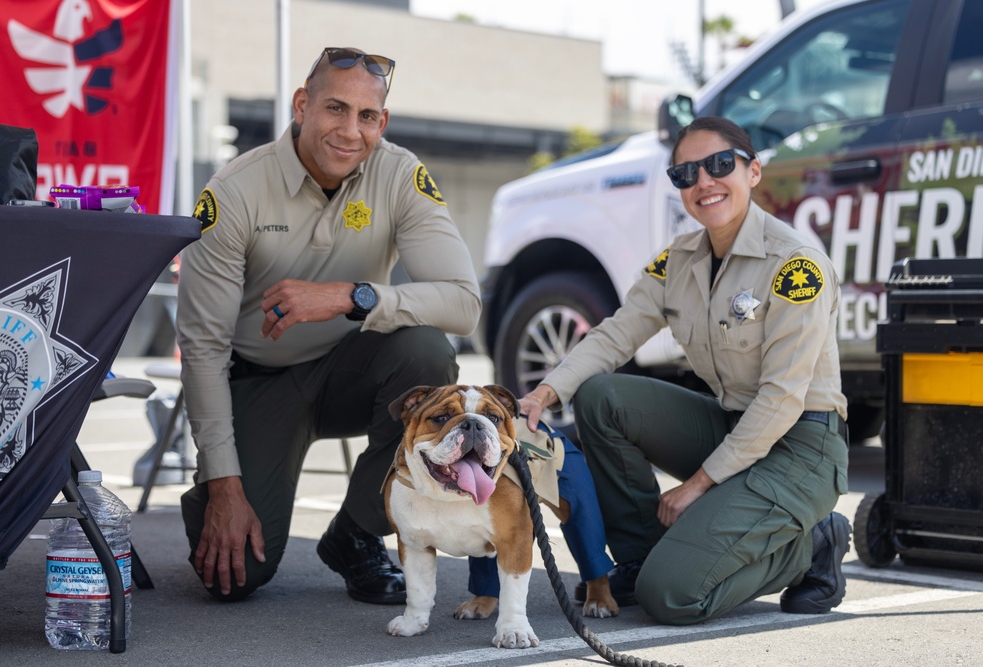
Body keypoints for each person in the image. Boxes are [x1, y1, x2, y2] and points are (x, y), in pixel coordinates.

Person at [176, 47, 481, 604]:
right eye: (335, 109)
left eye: (367, 117)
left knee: (426, 354)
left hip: (351, 372)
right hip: (258, 378)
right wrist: (224, 484)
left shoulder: (399, 175)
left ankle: (356, 533)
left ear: (382, 122)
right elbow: (201, 349)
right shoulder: (234, 190)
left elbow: (463, 304)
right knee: (236, 574)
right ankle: (214, 497)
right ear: (301, 105)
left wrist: (351, 297)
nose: (349, 131)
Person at [518, 116, 851, 626]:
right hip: (734, 425)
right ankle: (640, 555)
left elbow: (783, 398)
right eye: (685, 174)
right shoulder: (680, 259)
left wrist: (696, 485)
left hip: (801, 446)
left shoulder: (795, 266)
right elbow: (616, 333)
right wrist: (544, 392)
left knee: (671, 596)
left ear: (753, 171)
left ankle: (810, 541)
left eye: (720, 165)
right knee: (602, 397)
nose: (704, 182)